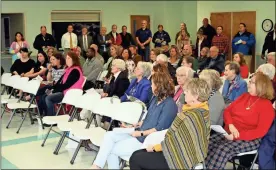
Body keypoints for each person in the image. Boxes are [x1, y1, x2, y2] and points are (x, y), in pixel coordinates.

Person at [91, 72, 178, 169]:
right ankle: (97, 165)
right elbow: (148, 118)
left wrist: (140, 133)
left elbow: (159, 129)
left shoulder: (170, 105)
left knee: (111, 149)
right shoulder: (156, 99)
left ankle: (97, 166)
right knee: (109, 135)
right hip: (140, 132)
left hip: (146, 140)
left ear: (159, 85)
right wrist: (133, 125)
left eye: (152, 84)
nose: (151, 86)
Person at [129, 78, 211, 170]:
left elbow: (176, 142)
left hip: (179, 159)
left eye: (187, 91)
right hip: (184, 154)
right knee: (137, 154)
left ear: (195, 96)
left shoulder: (191, 115)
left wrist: (155, 148)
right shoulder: (203, 110)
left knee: (135, 159)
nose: (184, 93)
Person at [205, 72, 275, 169]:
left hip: (250, 138)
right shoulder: (245, 96)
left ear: (261, 86)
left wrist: (235, 136)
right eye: (249, 81)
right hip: (229, 132)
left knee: (222, 150)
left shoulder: (266, 106)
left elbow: (260, 132)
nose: (248, 83)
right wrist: (230, 125)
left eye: (252, 82)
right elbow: (227, 111)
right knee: (207, 143)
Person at [38, 51, 85, 117]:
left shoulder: (75, 70)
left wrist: (54, 90)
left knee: (48, 98)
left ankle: (51, 118)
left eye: (69, 58)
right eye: (66, 58)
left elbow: (67, 85)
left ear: (74, 60)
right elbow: (59, 82)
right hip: (65, 91)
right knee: (45, 93)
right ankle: (45, 115)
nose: (67, 60)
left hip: (70, 93)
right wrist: (54, 88)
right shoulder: (68, 69)